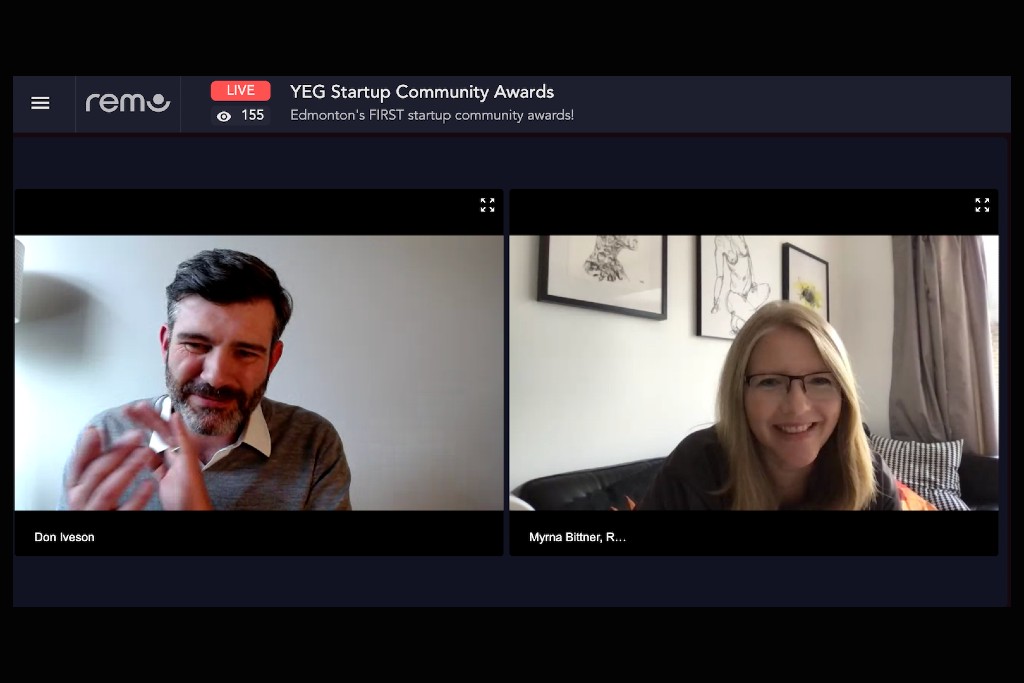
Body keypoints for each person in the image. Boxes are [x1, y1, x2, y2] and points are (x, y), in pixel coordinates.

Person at [58, 248, 352, 511]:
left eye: (246, 352)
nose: (216, 377)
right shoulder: (105, 437)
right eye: (196, 345)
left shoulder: (313, 443)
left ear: (272, 359)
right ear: (165, 345)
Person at [639, 300, 899, 510]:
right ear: (739, 394)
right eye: (770, 382)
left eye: (820, 380)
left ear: (844, 393)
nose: (797, 407)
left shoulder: (872, 480)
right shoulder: (696, 468)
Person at [710, 235, 771, 334]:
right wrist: (715, 301)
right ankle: (754, 324)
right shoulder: (720, 241)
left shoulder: (739, 237)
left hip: (750, 292)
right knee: (734, 301)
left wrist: (753, 281)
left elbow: (749, 259)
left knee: (766, 288)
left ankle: (737, 318)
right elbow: (720, 276)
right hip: (735, 295)